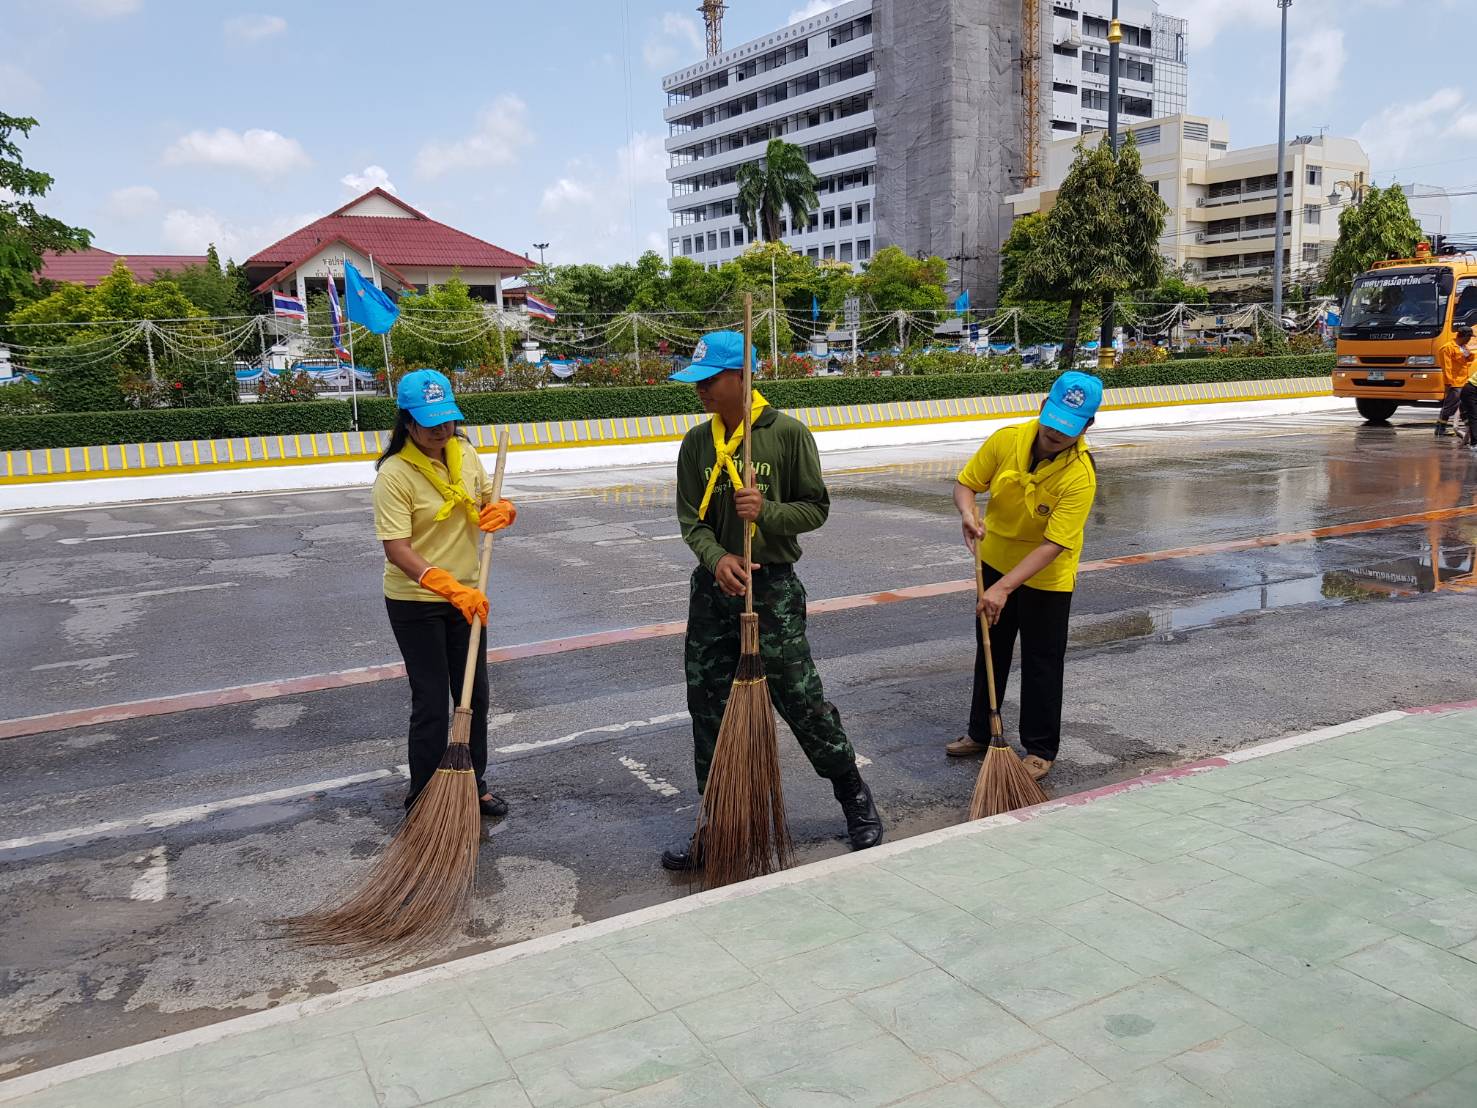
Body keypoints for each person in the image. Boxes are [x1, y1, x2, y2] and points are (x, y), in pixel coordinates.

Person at [660, 331, 883, 870]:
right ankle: (719, 822)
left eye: (710, 380)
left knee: (801, 701)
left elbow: (816, 509)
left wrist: (768, 513)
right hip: (714, 592)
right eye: (697, 382)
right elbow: (691, 520)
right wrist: (718, 559)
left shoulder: (786, 435)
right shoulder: (696, 443)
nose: (701, 392)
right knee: (707, 706)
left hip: (774, 589)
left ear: (744, 378)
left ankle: (853, 794)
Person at [372, 369, 517, 816]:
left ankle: (472, 783)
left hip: (469, 599)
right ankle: (422, 793)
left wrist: (501, 509)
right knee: (432, 701)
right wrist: (446, 586)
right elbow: (397, 548)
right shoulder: (394, 475)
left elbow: (484, 499)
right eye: (429, 421)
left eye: (447, 420)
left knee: (474, 697)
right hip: (417, 602)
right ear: (407, 422)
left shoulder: (466, 454)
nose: (440, 429)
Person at [945, 371, 1102, 782]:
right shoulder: (1007, 439)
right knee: (991, 650)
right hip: (994, 559)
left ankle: (1040, 747)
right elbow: (966, 484)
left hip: (1045, 576)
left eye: (1067, 429)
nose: (1054, 433)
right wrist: (967, 512)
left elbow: (1054, 544)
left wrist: (1004, 588)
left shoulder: (1080, 476)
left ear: (1087, 426)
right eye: (1051, 421)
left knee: (1042, 661)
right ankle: (982, 732)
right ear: (1042, 407)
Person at [1435, 326, 1474, 439]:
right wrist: (1448, 383)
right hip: (1454, 383)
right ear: (1463, 336)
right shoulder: (1447, 348)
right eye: (1469, 337)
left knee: (1464, 406)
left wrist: (1469, 355)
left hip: (1464, 381)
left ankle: (1469, 428)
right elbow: (1447, 367)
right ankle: (1440, 429)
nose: (1469, 340)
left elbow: (1468, 360)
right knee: (1450, 406)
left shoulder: (1463, 347)